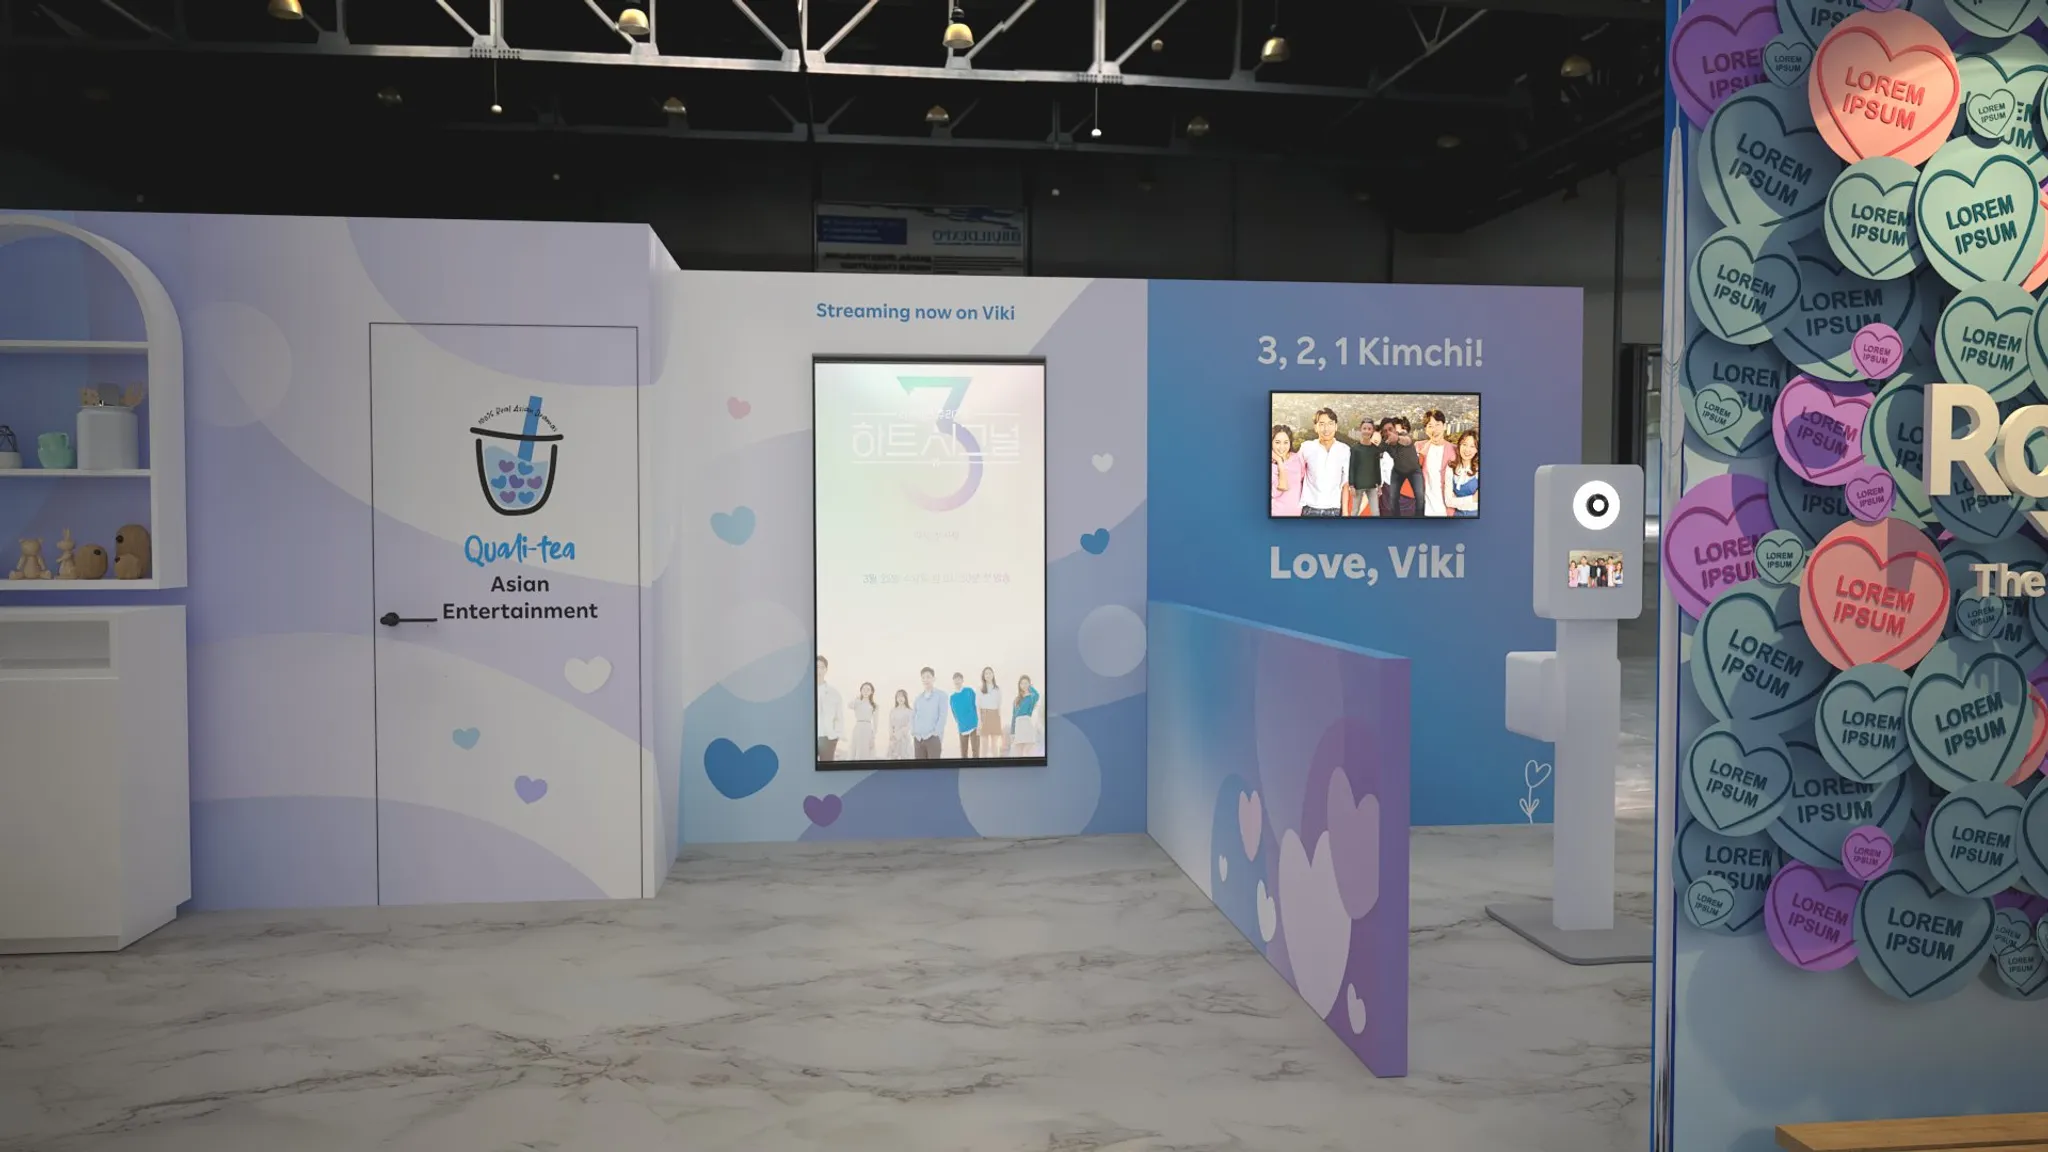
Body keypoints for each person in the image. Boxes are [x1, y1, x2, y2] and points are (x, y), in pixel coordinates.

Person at [1296, 408, 1350, 518]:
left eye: (1330, 424)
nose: (1326, 429)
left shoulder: (1344, 449)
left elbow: (1345, 483)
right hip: (1309, 508)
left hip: (1334, 509)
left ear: (1336, 426)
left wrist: (1345, 512)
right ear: (1315, 427)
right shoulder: (1306, 447)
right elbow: (1295, 472)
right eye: (1322, 424)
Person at [1417, 409, 1456, 517]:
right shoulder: (1419, 447)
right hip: (1425, 509)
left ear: (1444, 426)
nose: (1434, 429)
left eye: (1438, 424)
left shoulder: (1455, 450)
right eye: (1430, 426)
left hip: (1446, 509)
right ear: (1425, 430)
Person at [1270, 425, 1306, 517]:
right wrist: (1279, 461)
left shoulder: (1297, 458)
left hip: (1297, 515)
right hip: (1276, 515)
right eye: (1277, 442)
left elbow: (1304, 479)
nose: (1282, 447)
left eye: (1286, 442)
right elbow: (1282, 487)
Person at [911, 667, 946, 760]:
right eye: (923, 677)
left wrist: (936, 733)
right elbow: (913, 716)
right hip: (918, 739)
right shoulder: (918, 698)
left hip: (933, 738)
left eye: (928, 677)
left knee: (933, 768)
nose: (925, 679)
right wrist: (914, 732)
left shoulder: (941, 695)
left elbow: (943, 716)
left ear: (933, 678)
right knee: (920, 768)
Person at [815, 656, 843, 762]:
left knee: (826, 766)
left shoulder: (834, 693)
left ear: (826, 670)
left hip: (828, 738)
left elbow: (839, 717)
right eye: (816, 667)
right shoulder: (805, 690)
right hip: (809, 736)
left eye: (821, 667)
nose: (818, 670)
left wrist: (836, 736)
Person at [949, 672, 980, 758]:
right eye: (955, 679)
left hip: (974, 725)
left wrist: (978, 721)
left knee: (976, 751)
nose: (957, 681)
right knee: (963, 753)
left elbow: (976, 705)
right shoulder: (952, 697)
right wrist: (959, 722)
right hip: (962, 728)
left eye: (959, 679)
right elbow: (954, 713)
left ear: (962, 680)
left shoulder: (969, 691)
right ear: (953, 682)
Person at [1449, 429, 1479, 517]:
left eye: (1472, 446)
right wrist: (1473, 499)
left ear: (1477, 450)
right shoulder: (1451, 468)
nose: (1467, 450)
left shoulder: (1479, 470)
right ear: (1459, 445)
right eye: (1464, 444)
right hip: (1457, 515)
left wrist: (1456, 501)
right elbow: (1448, 501)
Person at [977, 667, 1005, 758]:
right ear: (983, 676)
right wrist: (979, 722)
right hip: (984, 715)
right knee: (984, 745)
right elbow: (978, 706)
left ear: (993, 674)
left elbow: (999, 705)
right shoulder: (980, 688)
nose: (988, 675)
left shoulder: (997, 689)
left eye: (990, 673)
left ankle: (996, 763)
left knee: (995, 744)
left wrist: (1000, 720)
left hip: (995, 715)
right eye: (986, 673)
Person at [1011, 674, 1042, 756]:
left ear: (1029, 684)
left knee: (1028, 751)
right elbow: (1013, 716)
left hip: (1027, 723)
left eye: (1026, 683)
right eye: (1022, 683)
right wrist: (1012, 732)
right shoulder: (1016, 700)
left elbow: (1037, 694)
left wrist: (1030, 687)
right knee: (1018, 752)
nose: (1024, 685)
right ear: (1019, 685)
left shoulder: (1032, 697)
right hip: (1018, 725)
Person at [849, 682, 878, 761]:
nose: (865, 691)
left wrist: (873, 737)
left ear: (871, 692)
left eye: (868, 689)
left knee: (865, 752)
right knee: (855, 751)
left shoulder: (874, 705)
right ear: (861, 690)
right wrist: (857, 699)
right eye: (864, 689)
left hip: (868, 729)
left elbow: (875, 724)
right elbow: (849, 705)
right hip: (858, 728)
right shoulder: (858, 702)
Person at [889, 689, 913, 759]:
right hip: (894, 740)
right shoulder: (893, 711)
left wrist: (898, 735)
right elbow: (890, 726)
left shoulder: (910, 711)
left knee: (905, 757)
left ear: (905, 698)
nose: (900, 698)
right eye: (898, 696)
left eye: (902, 696)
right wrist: (891, 736)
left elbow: (909, 726)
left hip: (905, 738)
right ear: (896, 699)